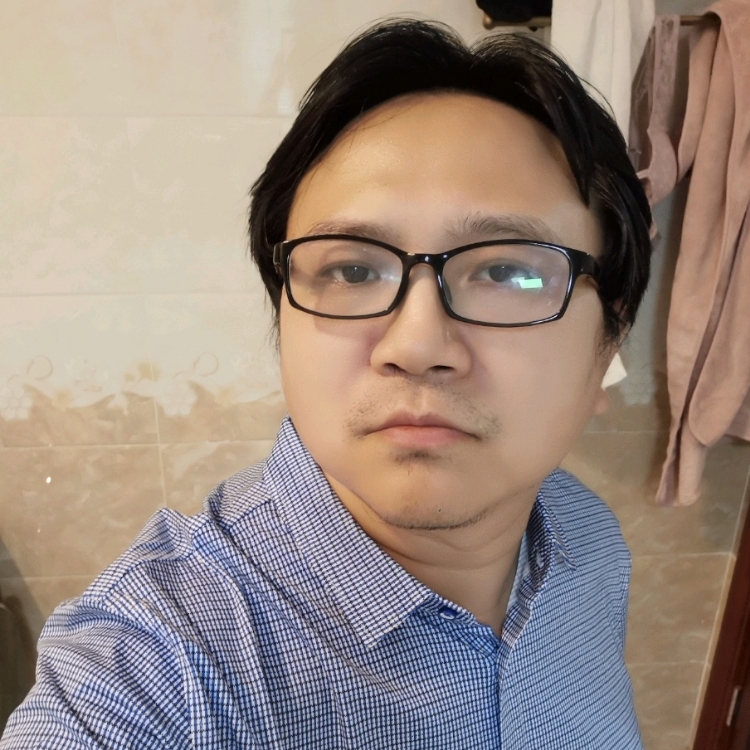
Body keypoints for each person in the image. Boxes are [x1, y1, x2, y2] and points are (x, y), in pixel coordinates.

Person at [1, 19, 651, 749]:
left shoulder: (586, 537)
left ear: (609, 342)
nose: (416, 345)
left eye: (507, 271)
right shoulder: (162, 663)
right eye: (351, 269)